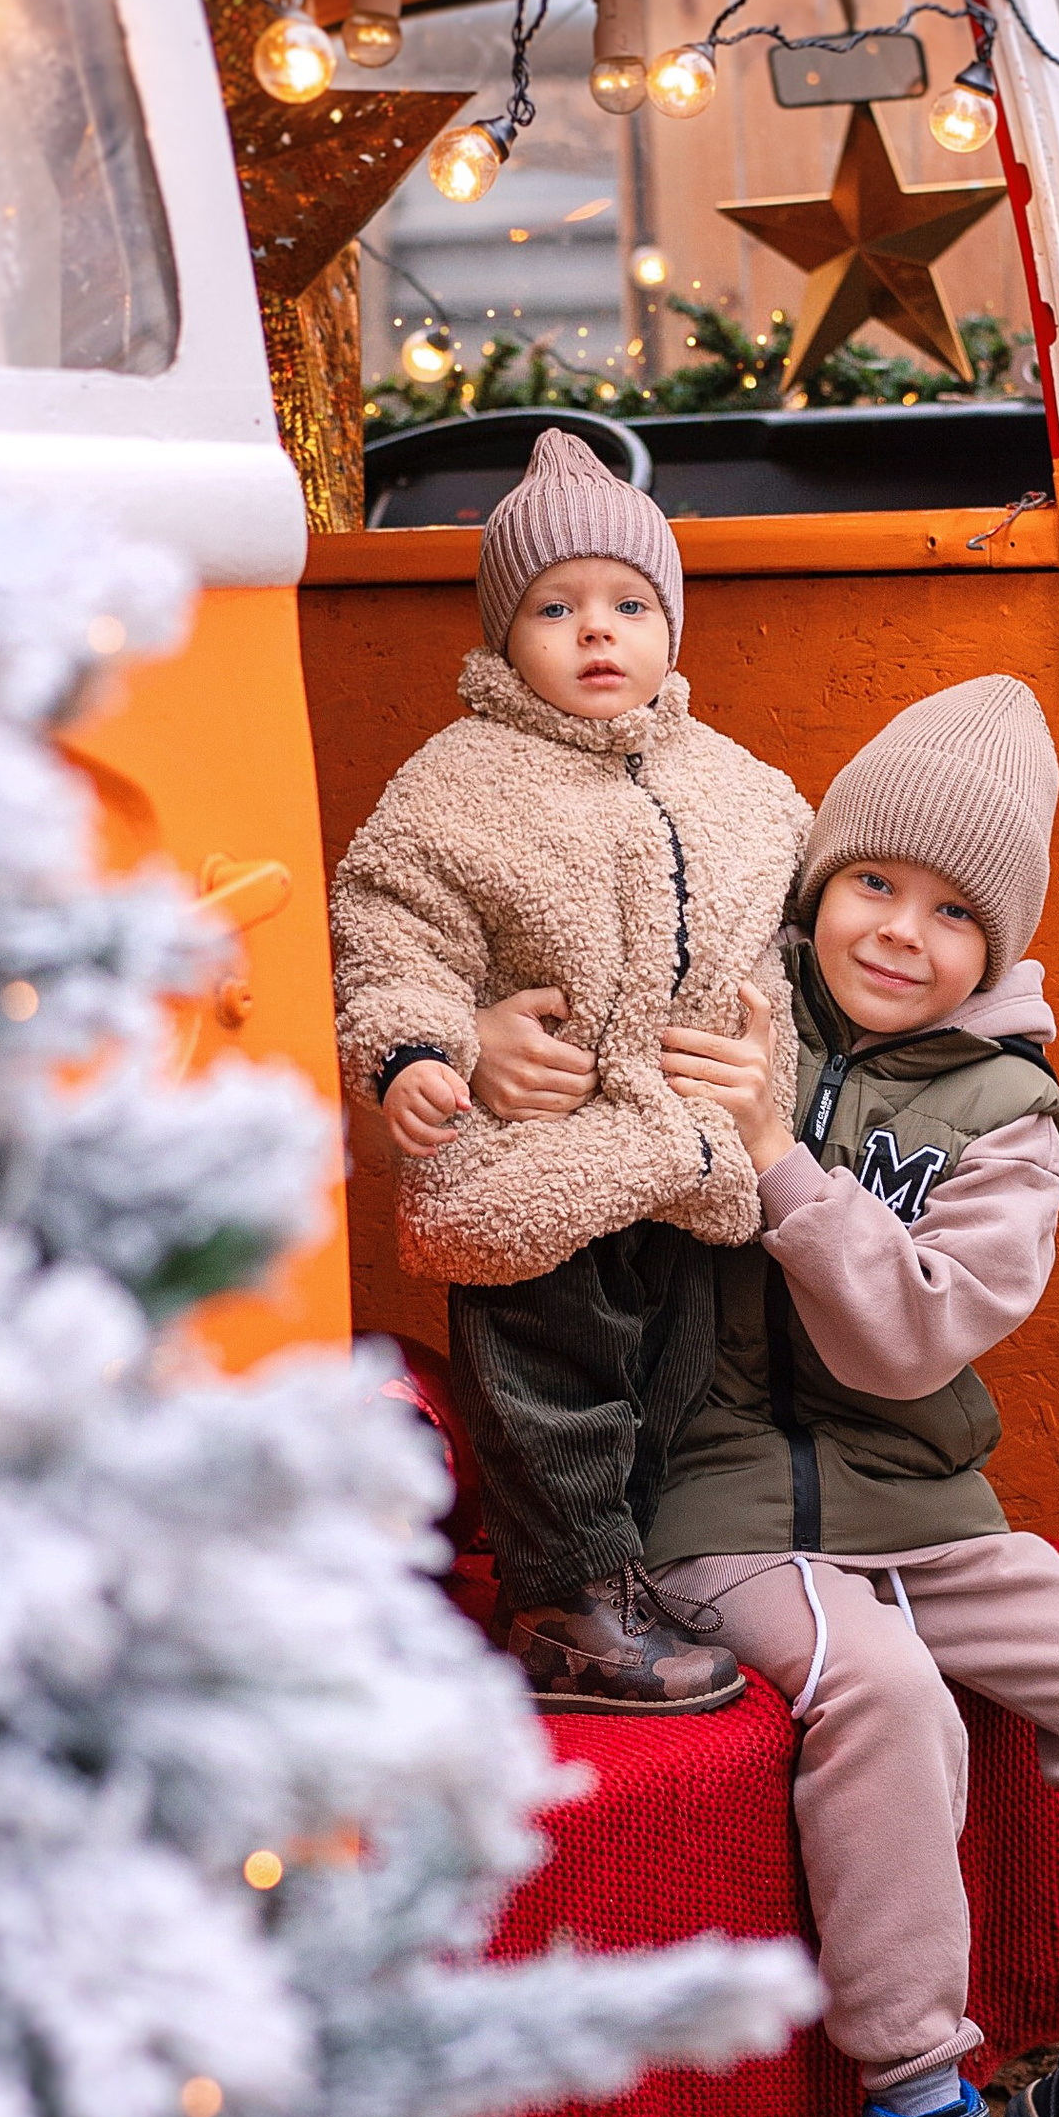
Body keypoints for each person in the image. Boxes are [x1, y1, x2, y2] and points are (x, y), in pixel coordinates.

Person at [649, 671, 1059, 2117]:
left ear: (1003, 946)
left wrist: (776, 1159)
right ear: (821, 884)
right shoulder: (735, 1001)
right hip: (726, 1506)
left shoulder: (1008, 1118)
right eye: (876, 885)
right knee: (890, 1698)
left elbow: (905, 1338)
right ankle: (919, 2110)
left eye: (956, 912)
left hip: (923, 1500)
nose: (902, 932)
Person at [331, 426, 811, 1711]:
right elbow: (391, 933)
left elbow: (782, 949)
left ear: (671, 626)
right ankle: (561, 1600)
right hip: (532, 1158)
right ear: (504, 637)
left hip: (687, 1151)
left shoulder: (744, 792)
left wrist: (767, 1058)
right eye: (555, 608)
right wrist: (433, 1050)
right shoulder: (456, 788)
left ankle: (627, 1576)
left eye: (628, 604)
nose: (596, 633)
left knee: (671, 1369)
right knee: (553, 1385)